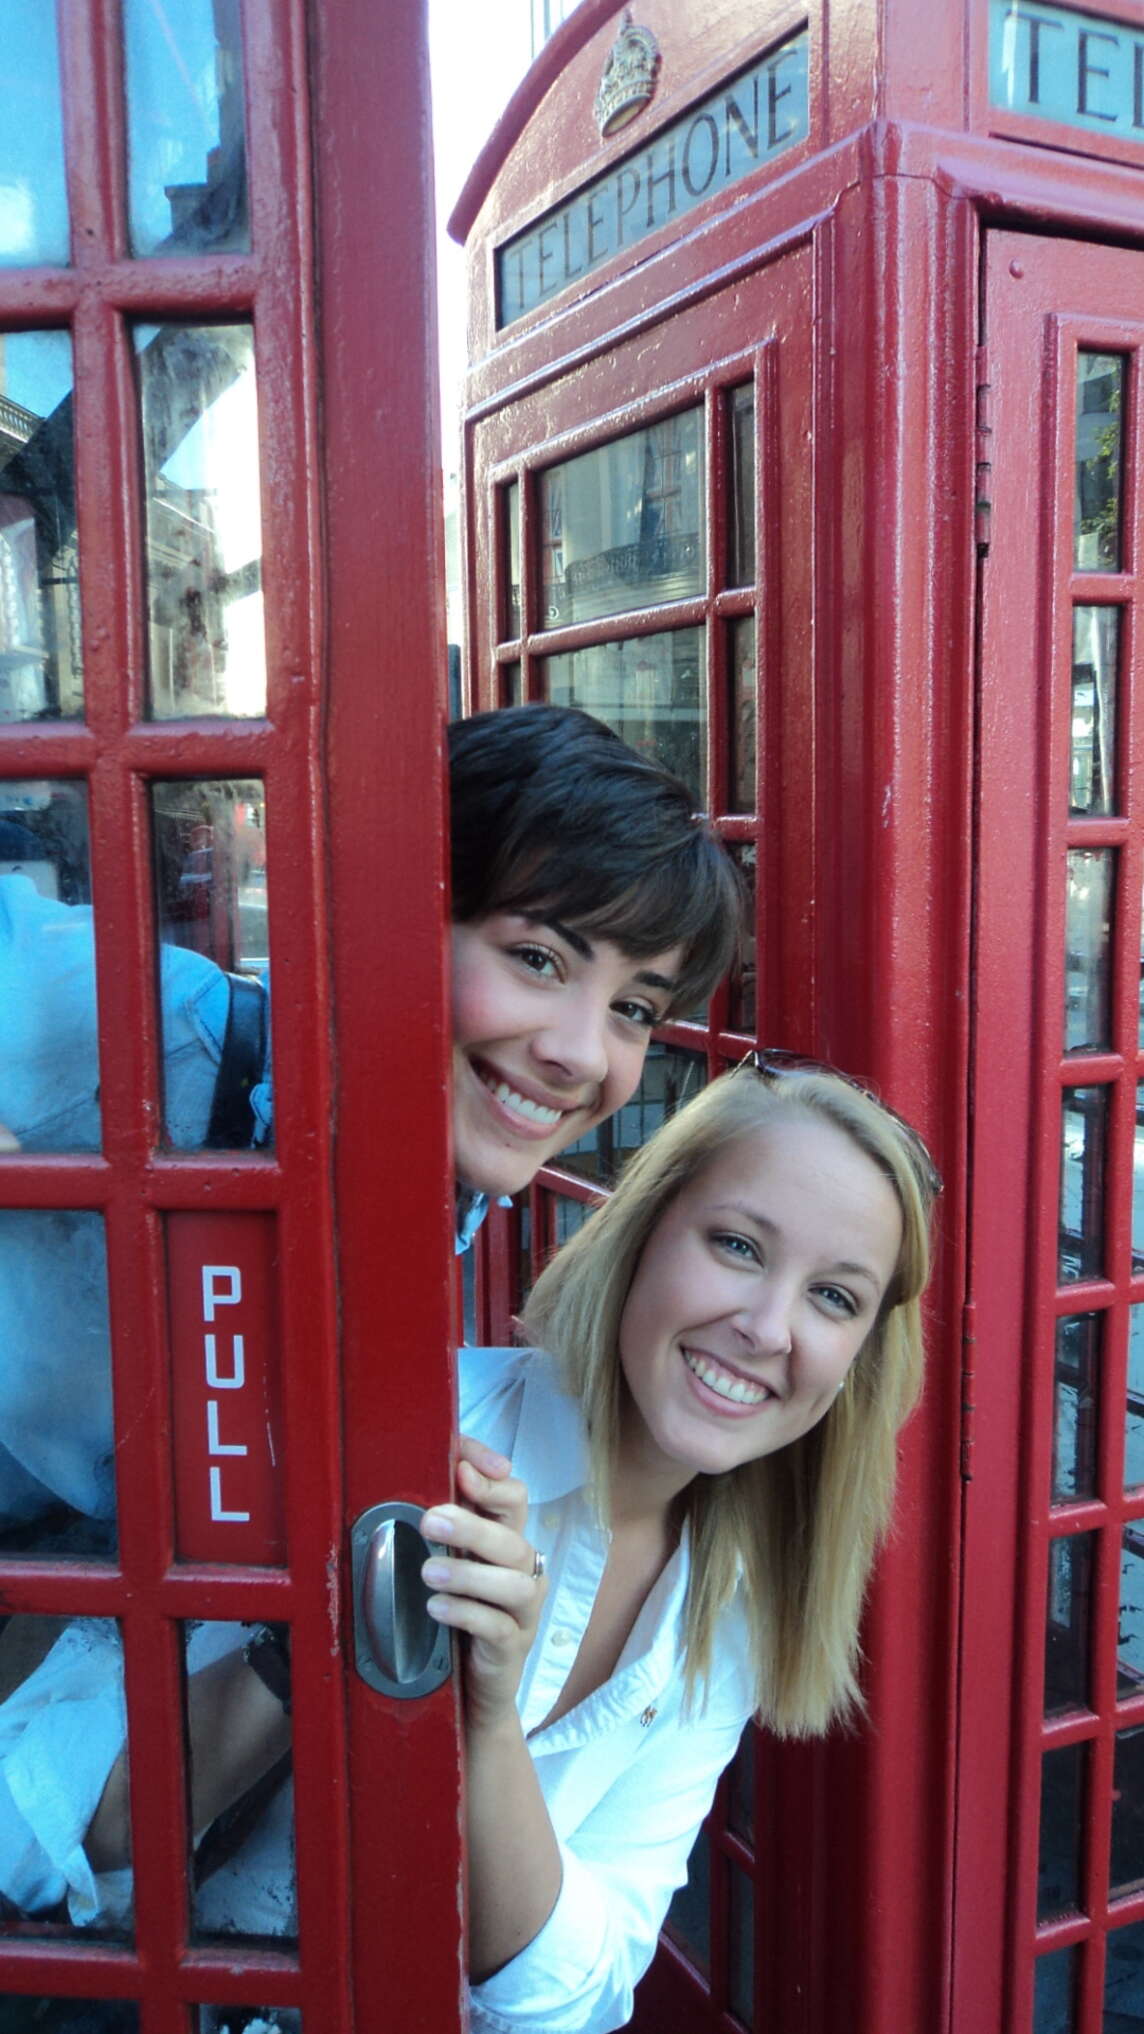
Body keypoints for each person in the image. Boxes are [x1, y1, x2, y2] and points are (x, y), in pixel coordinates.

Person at [0, 705, 742, 1939]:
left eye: (637, 1010)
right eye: (542, 958)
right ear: (391, 908)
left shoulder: (415, 1185)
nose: (581, 1053)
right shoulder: (139, 1029)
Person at [417, 1059, 938, 2033]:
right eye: (738, 1245)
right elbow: (61, 1829)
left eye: (833, 1299)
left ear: (858, 1362)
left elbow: (580, 1994)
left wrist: (482, 1729)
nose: (767, 1327)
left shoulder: (725, 1613)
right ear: (642, 1232)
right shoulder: (428, 1438)